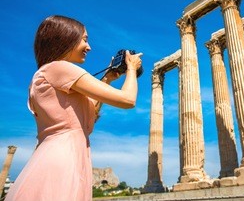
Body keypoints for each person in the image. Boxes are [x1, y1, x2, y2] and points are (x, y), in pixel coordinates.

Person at [5, 15, 142, 201]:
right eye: (84, 39)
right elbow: (127, 100)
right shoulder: (60, 68)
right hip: (64, 158)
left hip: (59, 154)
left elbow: (86, 117)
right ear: (66, 37)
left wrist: (108, 78)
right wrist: (132, 68)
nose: (89, 47)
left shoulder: (46, 73)